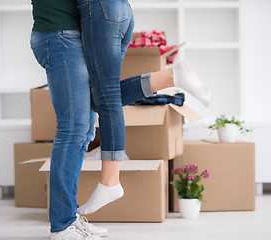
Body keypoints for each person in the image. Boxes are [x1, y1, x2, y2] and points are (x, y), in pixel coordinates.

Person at [30, 1, 209, 239]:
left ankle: (69, 219)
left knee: (91, 117)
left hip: (83, 27)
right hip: (60, 33)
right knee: (74, 128)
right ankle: (62, 225)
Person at [75, 0, 210, 218]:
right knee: (97, 98)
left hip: (98, 9)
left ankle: (110, 181)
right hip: (120, 11)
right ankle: (169, 77)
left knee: (106, 97)